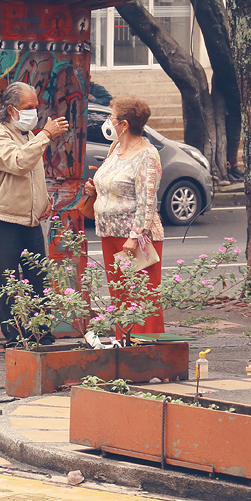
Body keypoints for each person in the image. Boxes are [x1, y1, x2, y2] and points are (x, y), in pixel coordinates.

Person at [0, 81, 68, 346]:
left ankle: (41, 331)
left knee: (38, 277)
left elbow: (33, 175)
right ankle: (13, 336)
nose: (35, 112)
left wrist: (44, 200)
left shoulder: (29, 136)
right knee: (8, 280)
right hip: (4, 218)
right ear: (11, 110)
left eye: (36, 107)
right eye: (29, 107)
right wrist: (46, 135)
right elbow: (18, 163)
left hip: (30, 221)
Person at [83, 96, 165, 334]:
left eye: (112, 117)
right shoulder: (115, 147)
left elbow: (147, 201)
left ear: (124, 124)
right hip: (109, 233)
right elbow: (114, 183)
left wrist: (135, 237)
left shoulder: (147, 155)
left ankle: (146, 351)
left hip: (134, 239)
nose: (109, 121)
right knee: (120, 296)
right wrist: (95, 189)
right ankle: (125, 346)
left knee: (142, 297)